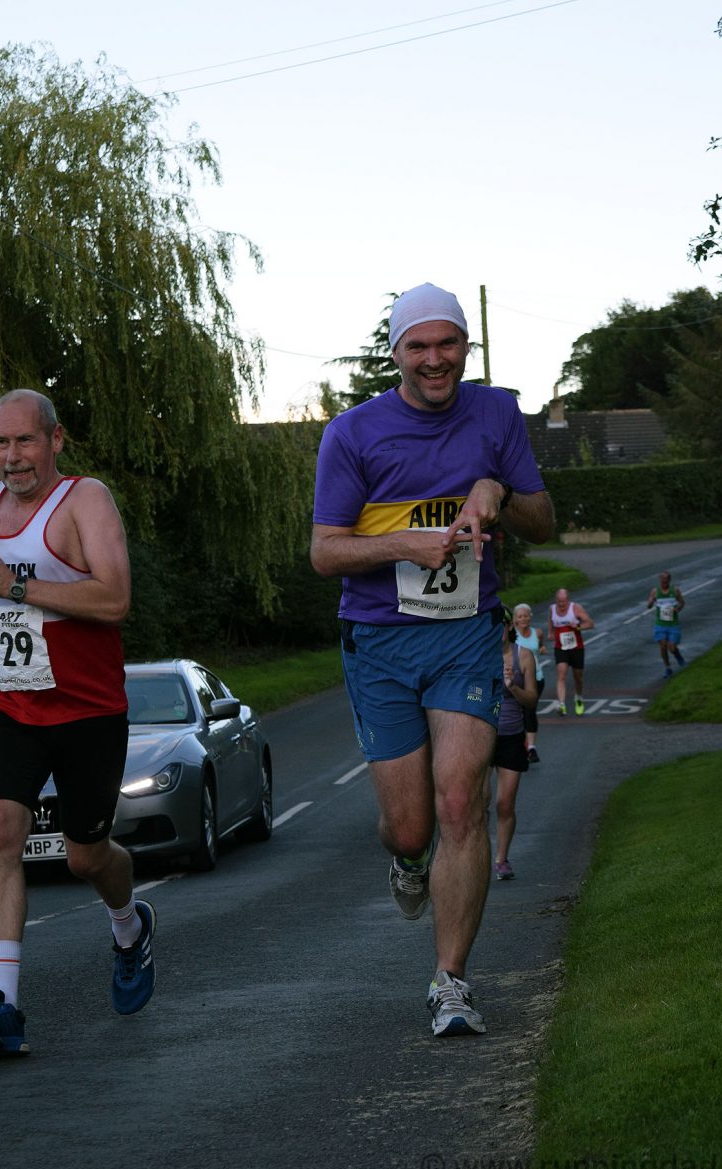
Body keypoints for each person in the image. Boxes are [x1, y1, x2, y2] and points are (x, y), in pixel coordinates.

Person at [310, 283, 554, 1037]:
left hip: (465, 634)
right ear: (396, 355)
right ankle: (409, 861)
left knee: (460, 804)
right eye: (418, 346)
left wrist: (497, 488)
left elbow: (542, 522)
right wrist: (404, 544)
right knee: (411, 827)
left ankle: (451, 981)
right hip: (379, 640)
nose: (435, 358)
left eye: (447, 343)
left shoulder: (496, 414)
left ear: (466, 349)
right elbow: (324, 552)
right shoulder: (352, 434)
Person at [0, 390, 156, 1060]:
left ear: (56, 440)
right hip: (8, 704)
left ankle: (128, 924)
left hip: (87, 710)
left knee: (86, 855)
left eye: (25, 441)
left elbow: (115, 598)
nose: (13, 457)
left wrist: (14, 584)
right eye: (1, 443)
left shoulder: (85, 500)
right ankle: (3, 1006)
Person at [487, 610, 538, 880]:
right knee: (476, 802)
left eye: (501, 625)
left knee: (504, 804)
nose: (497, 631)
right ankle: (473, 855)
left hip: (511, 734)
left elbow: (532, 701)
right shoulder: (479, 655)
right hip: (482, 735)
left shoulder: (523, 656)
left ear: (509, 627)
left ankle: (501, 859)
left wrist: (512, 687)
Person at [548, 588, 594, 716]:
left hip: (576, 648)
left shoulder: (575, 608)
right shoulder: (552, 609)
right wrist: (550, 632)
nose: (561, 604)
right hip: (560, 648)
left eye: (564, 601)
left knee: (578, 677)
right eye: (559, 602)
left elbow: (590, 623)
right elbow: (551, 621)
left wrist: (578, 626)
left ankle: (578, 697)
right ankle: (561, 704)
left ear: (568, 600)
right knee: (561, 674)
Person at [512, 602, 546, 761]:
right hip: (518, 679)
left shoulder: (537, 632)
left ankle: (531, 748)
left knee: (529, 710)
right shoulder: (513, 635)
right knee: (518, 712)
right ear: (515, 620)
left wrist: (541, 648)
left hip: (536, 678)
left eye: (526, 615)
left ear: (530, 617)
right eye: (520, 616)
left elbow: (540, 644)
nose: (523, 618)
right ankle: (521, 743)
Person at [647, 570, 686, 677]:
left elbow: (682, 602)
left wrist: (677, 609)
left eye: (666, 581)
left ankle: (678, 656)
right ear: (660, 580)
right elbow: (649, 606)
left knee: (672, 648)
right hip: (660, 624)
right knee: (663, 646)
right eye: (662, 581)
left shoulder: (675, 590)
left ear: (669, 580)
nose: (664, 583)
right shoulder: (655, 591)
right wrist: (651, 601)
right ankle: (667, 667)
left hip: (673, 624)